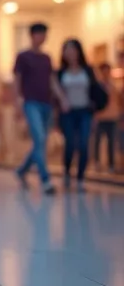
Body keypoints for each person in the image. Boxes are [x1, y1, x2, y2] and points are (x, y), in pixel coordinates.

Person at [13, 23, 63, 195]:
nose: (42, 37)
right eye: (40, 34)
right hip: (31, 103)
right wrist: (17, 104)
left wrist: (61, 98)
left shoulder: (47, 58)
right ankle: (45, 179)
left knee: (40, 142)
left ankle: (21, 170)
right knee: (40, 138)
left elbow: (52, 80)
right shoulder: (23, 57)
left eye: (44, 34)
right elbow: (17, 81)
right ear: (32, 35)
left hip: (47, 104)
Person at [54, 39, 104, 192]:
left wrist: (94, 114)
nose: (70, 52)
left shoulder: (88, 70)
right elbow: (56, 95)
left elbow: (95, 92)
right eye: (67, 49)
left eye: (73, 49)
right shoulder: (60, 72)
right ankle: (68, 173)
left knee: (83, 144)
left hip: (85, 112)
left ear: (78, 51)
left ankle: (81, 178)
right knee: (69, 144)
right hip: (68, 113)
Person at [93, 63, 118, 173]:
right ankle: (97, 163)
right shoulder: (97, 86)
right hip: (100, 117)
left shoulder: (113, 87)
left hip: (112, 117)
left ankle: (111, 164)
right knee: (97, 141)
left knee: (111, 142)